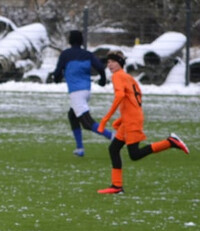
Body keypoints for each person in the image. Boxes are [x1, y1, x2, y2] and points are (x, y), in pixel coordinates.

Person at [96, 52, 189, 195]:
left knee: (135, 154)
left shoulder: (117, 76)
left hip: (132, 119)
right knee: (113, 149)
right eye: (107, 62)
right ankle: (116, 186)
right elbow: (134, 99)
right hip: (131, 118)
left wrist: (105, 119)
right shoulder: (128, 78)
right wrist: (122, 119)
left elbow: (120, 95)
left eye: (112, 62)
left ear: (119, 63)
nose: (109, 65)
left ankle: (170, 142)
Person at [50, 30, 113, 156]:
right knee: (73, 116)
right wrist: (102, 79)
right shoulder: (88, 54)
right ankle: (80, 149)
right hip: (86, 91)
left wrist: (56, 79)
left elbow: (57, 71)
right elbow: (100, 67)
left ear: (70, 41)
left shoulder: (65, 55)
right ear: (81, 41)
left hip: (76, 92)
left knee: (87, 123)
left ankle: (113, 137)